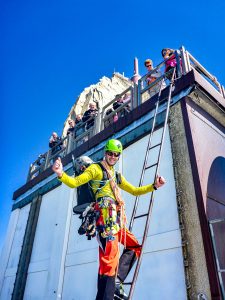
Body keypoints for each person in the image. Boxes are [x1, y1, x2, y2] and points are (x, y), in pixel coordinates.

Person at [52, 139, 166, 300]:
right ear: (105, 153)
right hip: (105, 218)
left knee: (134, 247)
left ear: (118, 156)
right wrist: (60, 174)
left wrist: (154, 186)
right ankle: (108, 294)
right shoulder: (95, 169)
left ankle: (116, 283)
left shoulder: (116, 175)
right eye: (110, 153)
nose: (113, 157)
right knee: (109, 259)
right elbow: (75, 182)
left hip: (117, 220)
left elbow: (134, 190)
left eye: (116, 155)